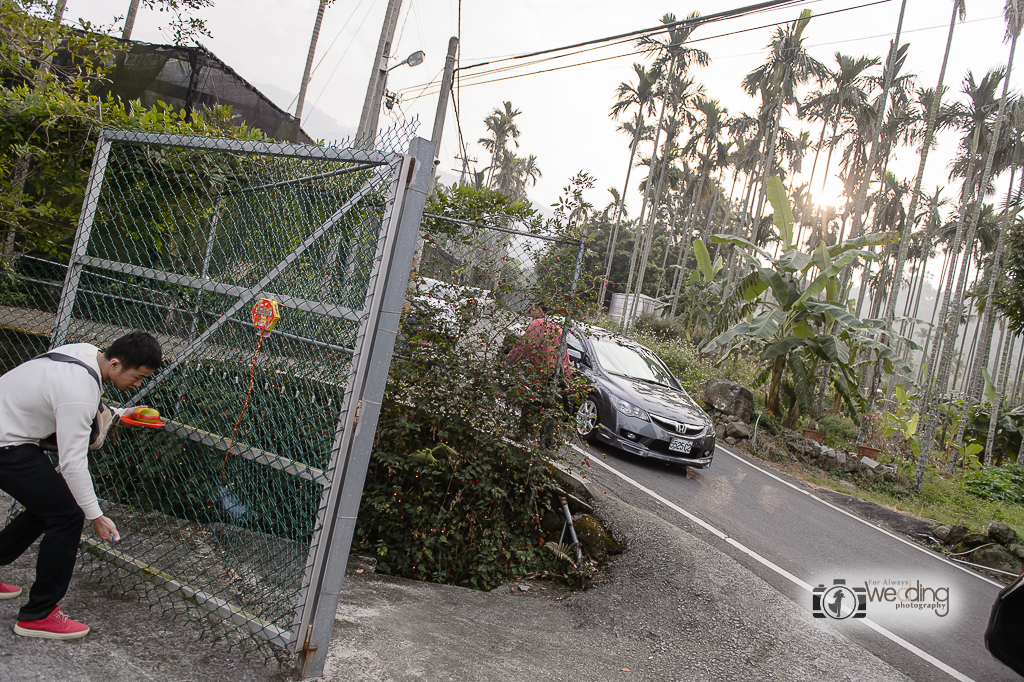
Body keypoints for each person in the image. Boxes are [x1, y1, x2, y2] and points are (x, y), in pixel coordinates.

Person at [0, 330, 162, 640]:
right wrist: (96, 516)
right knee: (68, 515)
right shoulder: (80, 390)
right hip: (7, 444)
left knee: (53, 505)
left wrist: (118, 414)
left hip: (10, 432)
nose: (138, 384)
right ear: (115, 363)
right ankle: (38, 615)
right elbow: (72, 463)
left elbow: (67, 400)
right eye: (138, 377)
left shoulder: (86, 353)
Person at [505, 302, 571, 442]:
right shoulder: (558, 328)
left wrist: (510, 360)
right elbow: (564, 354)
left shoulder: (537, 324)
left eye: (534, 309)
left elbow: (526, 345)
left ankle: (523, 434)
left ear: (540, 310)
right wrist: (566, 376)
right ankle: (548, 443)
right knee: (550, 407)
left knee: (531, 401)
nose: (532, 311)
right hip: (554, 373)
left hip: (539, 370)